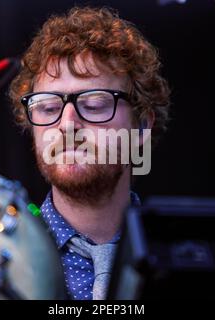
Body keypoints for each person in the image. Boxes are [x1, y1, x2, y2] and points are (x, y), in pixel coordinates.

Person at [9, 6, 170, 300]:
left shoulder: (178, 260)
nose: (67, 124)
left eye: (94, 104)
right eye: (48, 107)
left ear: (142, 125)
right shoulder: (4, 262)